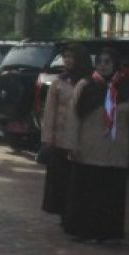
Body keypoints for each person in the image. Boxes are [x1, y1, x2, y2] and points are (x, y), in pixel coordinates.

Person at [62, 47, 129, 243]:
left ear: (115, 64)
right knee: (87, 192)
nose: (103, 65)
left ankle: (107, 233)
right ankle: (84, 230)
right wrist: (72, 144)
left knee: (110, 195)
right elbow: (73, 117)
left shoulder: (126, 89)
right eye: (100, 62)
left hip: (116, 150)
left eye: (108, 62)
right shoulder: (86, 85)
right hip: (89, 148)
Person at [40, 44, 92, 217]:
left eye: (72, 57)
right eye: (66, 57)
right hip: (60, 139)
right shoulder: (59, 82)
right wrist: (48, 137)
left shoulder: (90, 83)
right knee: (60, 178)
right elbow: (49, 112)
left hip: (81, 139)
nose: (68, 60)